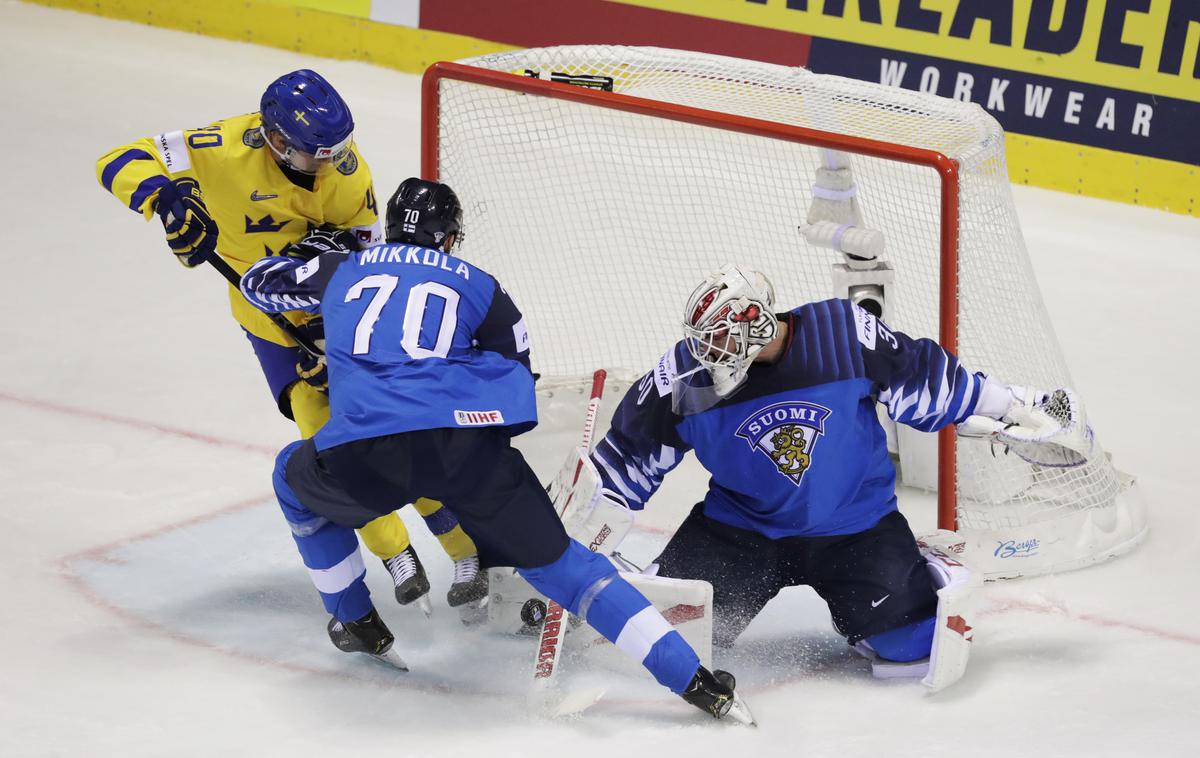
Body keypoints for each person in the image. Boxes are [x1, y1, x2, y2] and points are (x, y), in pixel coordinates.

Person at [238, 179, 755, 723]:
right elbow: (518, 379)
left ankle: (356, 622)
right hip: (466, 453)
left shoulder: (344, 267)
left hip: (364, 449)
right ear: (452, 237)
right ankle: (698, 683)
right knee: (571, 571)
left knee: (291, 483)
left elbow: (257, 286)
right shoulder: (483, 287)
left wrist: (321, 284)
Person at [95, 69, 482, 610]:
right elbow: (118, 158)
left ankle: (465, 549)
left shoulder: (349, 175)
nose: (331, 164)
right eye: (315, 153)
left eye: (338, 150)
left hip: (336, 318)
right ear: (276, 140)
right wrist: (167, 200)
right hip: (269, 327)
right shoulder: (221, 148)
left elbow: (366, 272)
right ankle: (395, 553)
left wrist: (334, 339)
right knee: (329, 439)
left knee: (394, 431)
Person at [589, 263, 1083, 684]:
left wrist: (1013, 404)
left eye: (720, 338)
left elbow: (926, 378)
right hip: (740, 531)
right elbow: (626, 458)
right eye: (703, 340)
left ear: (755, 324)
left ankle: (926, 569)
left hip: (856, 528)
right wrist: (573, 540)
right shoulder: (685, 376)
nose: (708, 353)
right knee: (664, 642)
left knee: (910, 646)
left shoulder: (841, 334)